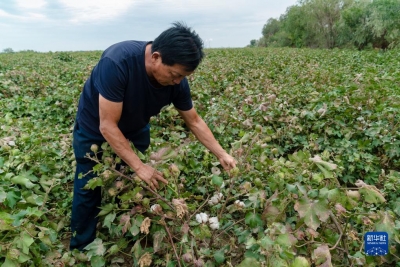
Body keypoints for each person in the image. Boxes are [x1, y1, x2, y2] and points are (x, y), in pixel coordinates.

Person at [70, 22, 236, 251]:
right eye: (175, 74)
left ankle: (124, 230)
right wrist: (140, 166)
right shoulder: (118, 62)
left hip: (134, 126)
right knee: (88, 186)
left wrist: (222, 154)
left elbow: (194, 121)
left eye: (183, 77)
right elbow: (107, 126)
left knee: (126, 182)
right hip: (95, 127)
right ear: (156, 57)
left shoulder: (177, 82)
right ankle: (80, 247)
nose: (178, 81)